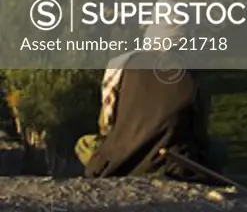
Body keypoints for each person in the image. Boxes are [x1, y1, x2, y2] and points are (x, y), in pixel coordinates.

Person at [75, 20, 211, 178]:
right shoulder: (192, 75)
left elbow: (107, 121)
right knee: (217, 150)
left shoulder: (121, 63)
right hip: (171, 165)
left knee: (84, 144)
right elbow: (200, 134)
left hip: (116, 162)